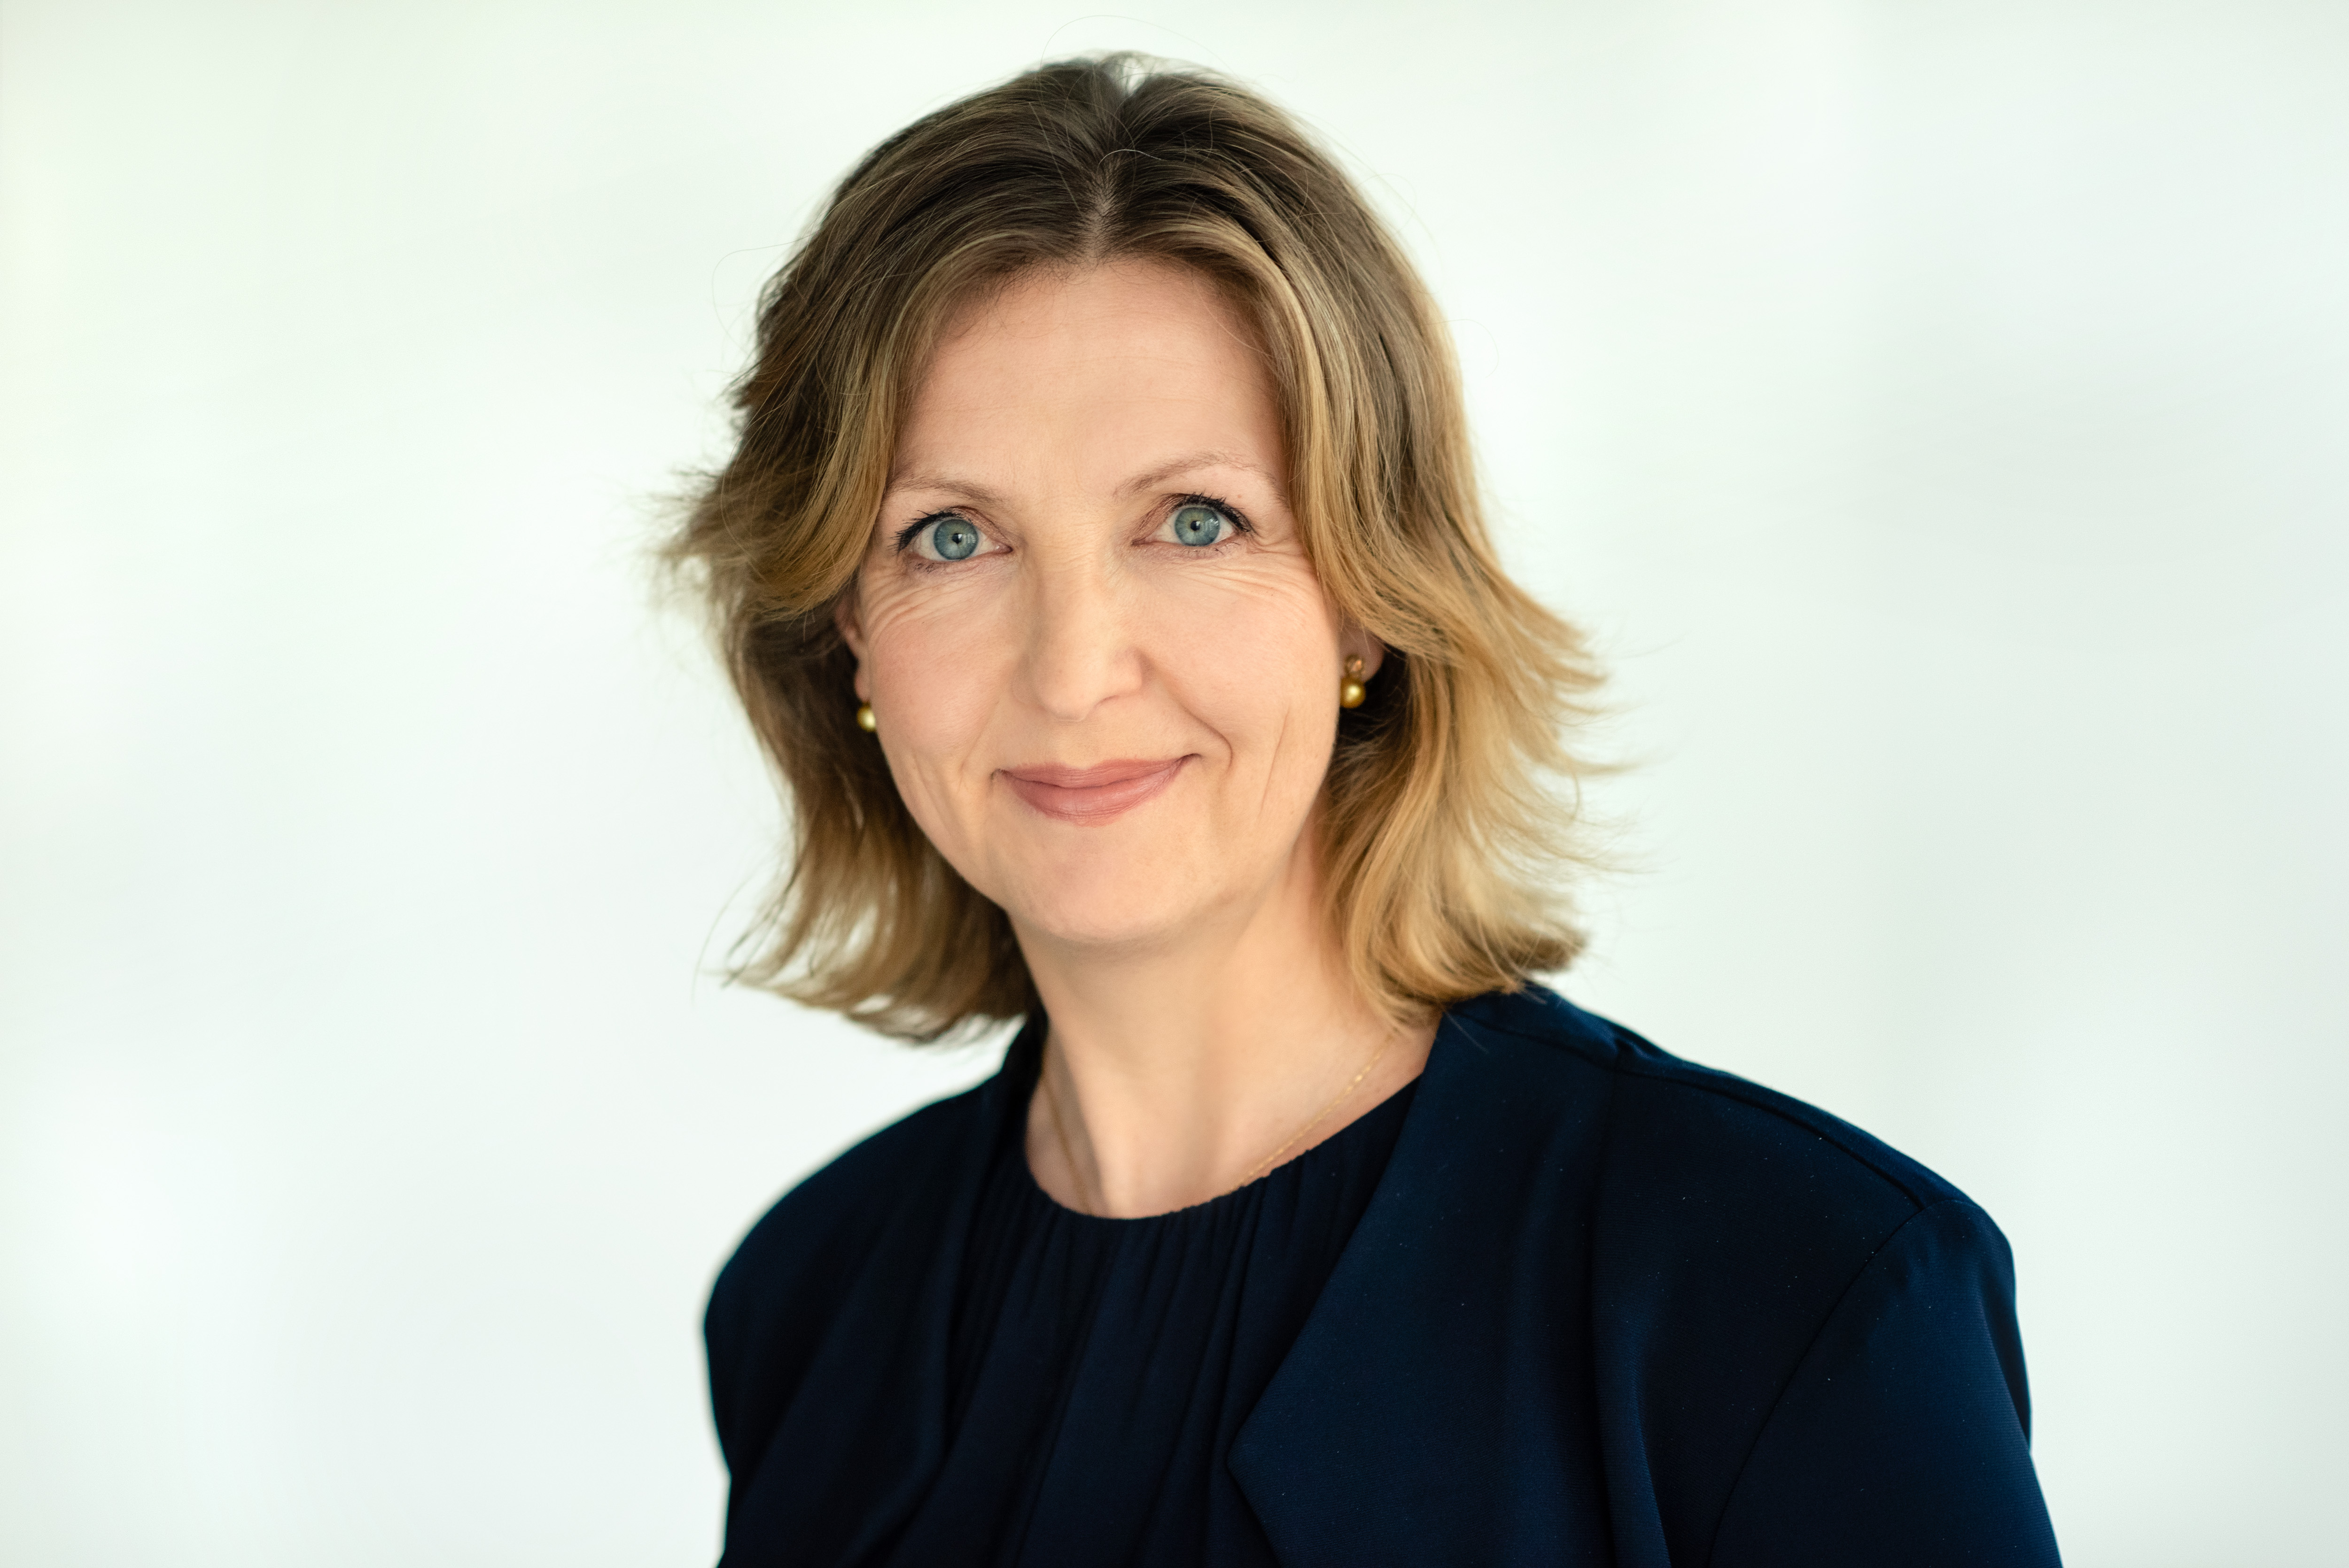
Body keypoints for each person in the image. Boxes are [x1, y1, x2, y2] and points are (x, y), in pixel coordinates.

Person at [667, 54, 2060, 1568]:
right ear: (847, 631)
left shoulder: (1797, 1297)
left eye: (1195, 521)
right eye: (951, 536)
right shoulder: (810, 1306)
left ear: (1369, 601)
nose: (1071, 670)